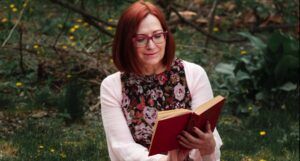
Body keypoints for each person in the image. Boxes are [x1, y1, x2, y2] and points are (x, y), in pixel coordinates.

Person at [100, 1, 222, 160]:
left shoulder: (194, 74)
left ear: (166, 36)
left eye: (157, 36)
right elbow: (123, 148)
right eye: (141, 39)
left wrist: (208, 146)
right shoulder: (112, 86)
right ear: (126, 42)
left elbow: (207, 136)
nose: (151, 45)